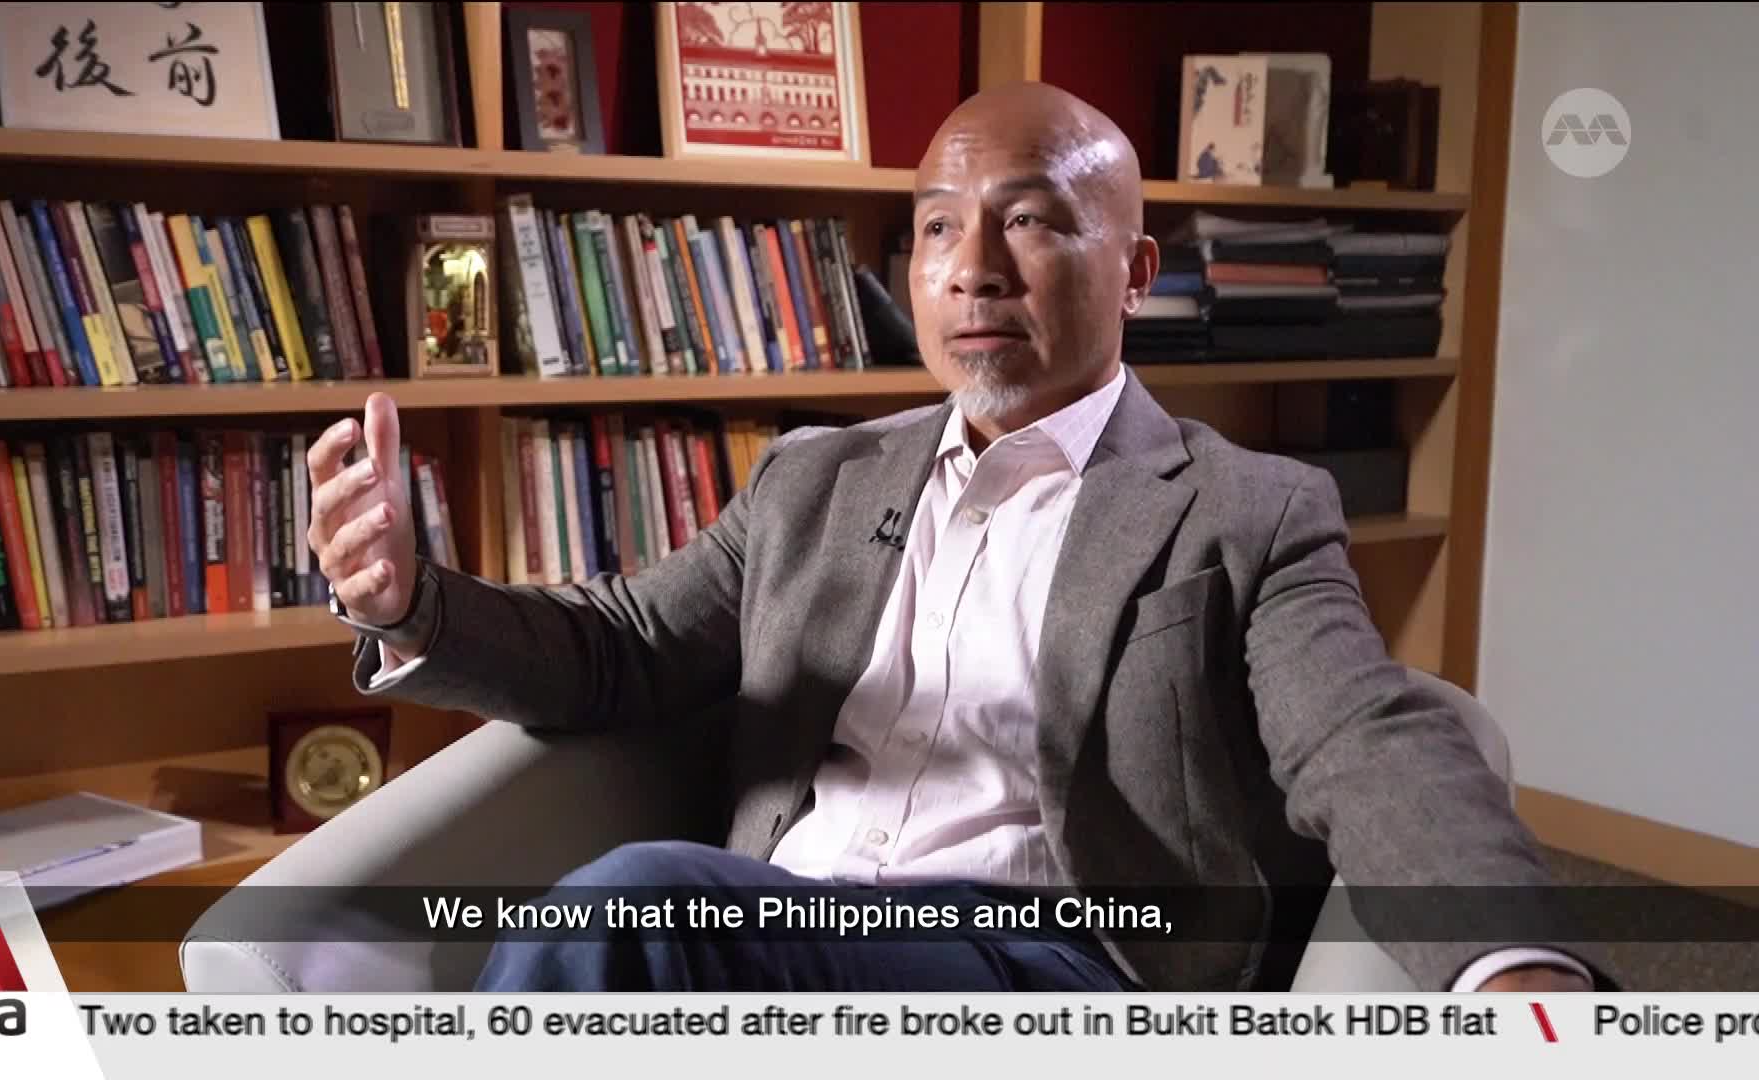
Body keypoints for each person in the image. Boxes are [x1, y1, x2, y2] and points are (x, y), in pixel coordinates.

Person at [306, 83, 1602, 994]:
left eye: (1031, 220)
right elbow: (626, 649)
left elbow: (1369, 737)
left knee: (633, 906)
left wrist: (1515, 969)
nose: (973, 264)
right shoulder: (817, 479)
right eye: (937, 227)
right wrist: (414, 598)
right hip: (788, 915)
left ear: (1138, 271)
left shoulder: (1243, 508)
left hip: (1054, 955)